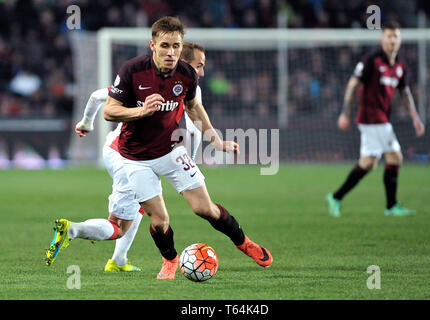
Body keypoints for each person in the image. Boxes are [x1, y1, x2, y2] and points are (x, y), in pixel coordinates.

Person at [101, 16, 273, 279]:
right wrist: (141, 111)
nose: (171, 52)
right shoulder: (132, 70)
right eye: (165, 45)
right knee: (160, 221)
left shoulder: (187, 74)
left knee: (206, 209)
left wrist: (216, 139)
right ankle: (170, 259)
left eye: (176, 46)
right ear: (153, 45)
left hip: (172, 151)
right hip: (135, 159)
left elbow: (194, 108)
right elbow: (109, 111)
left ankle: (244, 242)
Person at [45, 41, 209, 271]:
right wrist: (188, 163)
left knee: (145, 202)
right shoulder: (175, 81)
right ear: (183, 62)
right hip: (128, 156)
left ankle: (119, 260)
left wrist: (86, 123)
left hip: (116, 148)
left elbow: (95, 96)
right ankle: (73, 229)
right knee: (118, 226)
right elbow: (194, 129)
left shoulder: (152, 79)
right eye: (198, 66)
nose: (200, 72)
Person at [326, 21, 425, 217]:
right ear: (382, 39)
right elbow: (353, 85)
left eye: (395, 36)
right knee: (395, 157)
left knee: (368, 163)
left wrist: (415, 117)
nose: (392, 40)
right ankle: (391, 206)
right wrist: (345, 113)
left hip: (381, 119)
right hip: (372, 118)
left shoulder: (400, 66)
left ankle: (336, 197)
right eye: (389, 36)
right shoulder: (372, 60)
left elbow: (405, 93)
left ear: (400, 39)